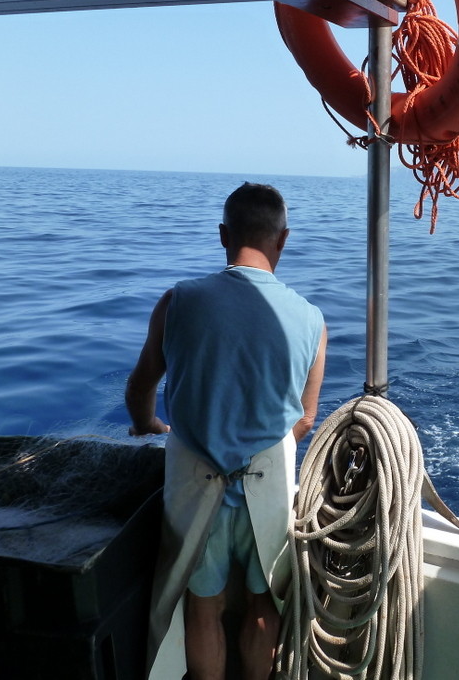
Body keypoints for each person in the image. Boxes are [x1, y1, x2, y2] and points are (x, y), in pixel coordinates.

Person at [126, 182, 327, 680]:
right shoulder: (313, 320)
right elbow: (305, 418)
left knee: (203, 606)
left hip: (196, 489)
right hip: (269, 489)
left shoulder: (178, 301)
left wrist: (147, 424)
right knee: (263, 604)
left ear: (223, 235)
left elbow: (140, 388)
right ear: (284, 240)